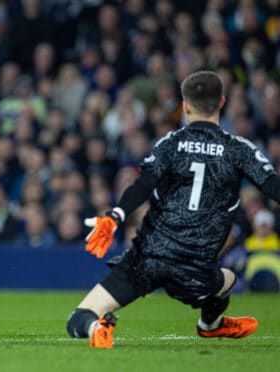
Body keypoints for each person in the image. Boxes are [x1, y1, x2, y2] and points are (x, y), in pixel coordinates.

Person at [66, 70, 280, 348]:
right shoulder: (239, 149)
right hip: (195, 269)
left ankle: (97, 329)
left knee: (78, 318)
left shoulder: (171, 143)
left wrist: (115, 216)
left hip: (149, 259)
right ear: (222, 102)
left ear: (186, 105)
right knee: (228, 279)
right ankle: (210, 325)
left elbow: (142, 184)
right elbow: (273, 188)